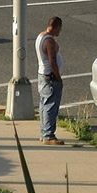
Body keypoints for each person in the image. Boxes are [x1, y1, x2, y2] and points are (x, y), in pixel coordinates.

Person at [35, 16, 65, 145]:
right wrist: (58, 78)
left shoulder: (40, 36)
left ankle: (44, 133)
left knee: (44, 105)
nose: (60, 31)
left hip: (43, 76)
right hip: (50, 78)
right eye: (60, 28)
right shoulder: (49, 41)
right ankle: (48, 135)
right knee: (50, 107)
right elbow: (52, 62)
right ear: (56, 27)